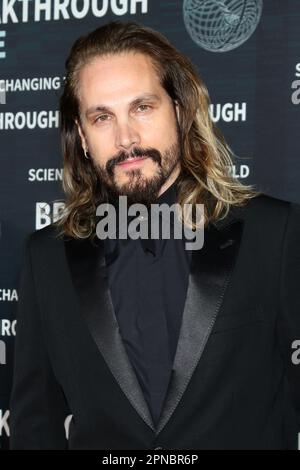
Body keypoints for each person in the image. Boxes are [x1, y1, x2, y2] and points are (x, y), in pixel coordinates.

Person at [9, 20, 300, 450]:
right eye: (102, 116)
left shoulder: (273, 235)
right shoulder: (46, 259)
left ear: (180, 111)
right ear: (84, 138)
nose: (126, 139)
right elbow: (35, 425)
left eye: (142, 107)